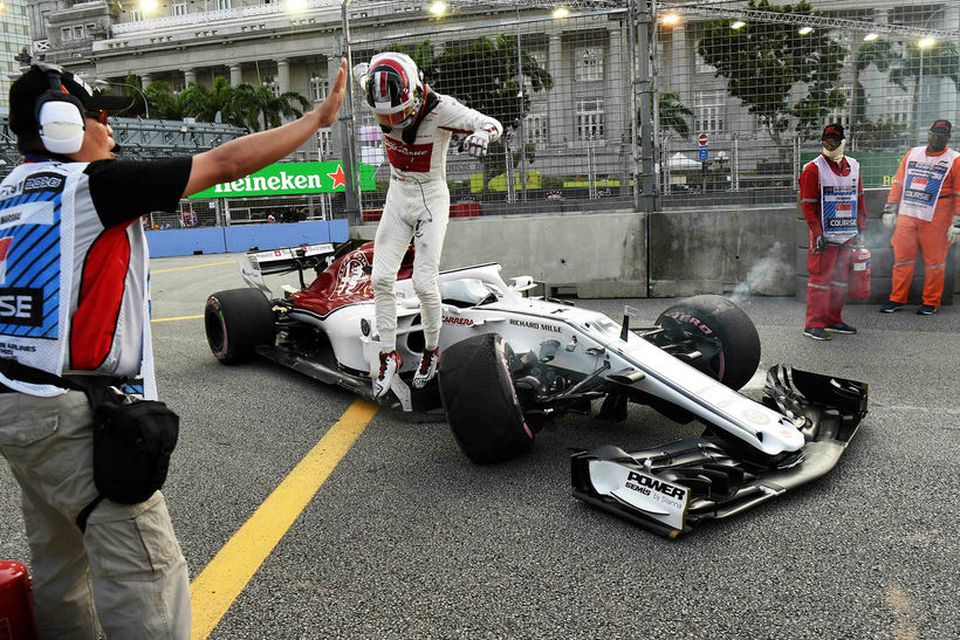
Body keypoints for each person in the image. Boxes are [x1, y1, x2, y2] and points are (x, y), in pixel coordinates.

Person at [0, 59, 346, 638]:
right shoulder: (94, 187)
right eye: (98, 117)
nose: (110, 130)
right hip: (72, 416)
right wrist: (316, 119)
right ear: (61, 123)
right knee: (146, 574)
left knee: (60, 567)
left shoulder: (8, 192)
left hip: (17, 405)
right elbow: (226, 162)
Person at [352, 52, 502, 397]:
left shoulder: (442, 108)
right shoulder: (374, 86)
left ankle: (432, 351)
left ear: (417, 93)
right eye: (383, 115)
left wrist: (483, 135)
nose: (392, 121)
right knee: (380, 278)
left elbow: (491, 122)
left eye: (400, 112)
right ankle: (389, 353)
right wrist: (357, 70)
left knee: (423, 281)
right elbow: (363, 72)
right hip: (397, 194)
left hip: (430, 199)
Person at [880, 119, 960, 315]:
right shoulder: (912, 153)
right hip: (908, 214)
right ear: (928, 133)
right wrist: (890, 210)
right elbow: (898, 183)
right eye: (934, 132)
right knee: (902, 259)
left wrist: (957, 222)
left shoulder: (955, 160)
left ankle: (931, 302)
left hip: (937, 217)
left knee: (935, 262)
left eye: (942, 133)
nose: (937, 136)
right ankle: (897, 299)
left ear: (948, 137)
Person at [798, 123, 867, 341]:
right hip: (825, 236)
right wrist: (817, 233)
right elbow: (808, 205)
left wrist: (860, 229)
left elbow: (860, 199)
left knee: (839, 279)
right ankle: (813, 324)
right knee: (820, 280)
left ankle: (833, 319)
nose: (829, 143)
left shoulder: (854, 166)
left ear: (842, 141)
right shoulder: (813, 168)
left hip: (846, 233)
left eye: (834, 139)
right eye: (826, 139)